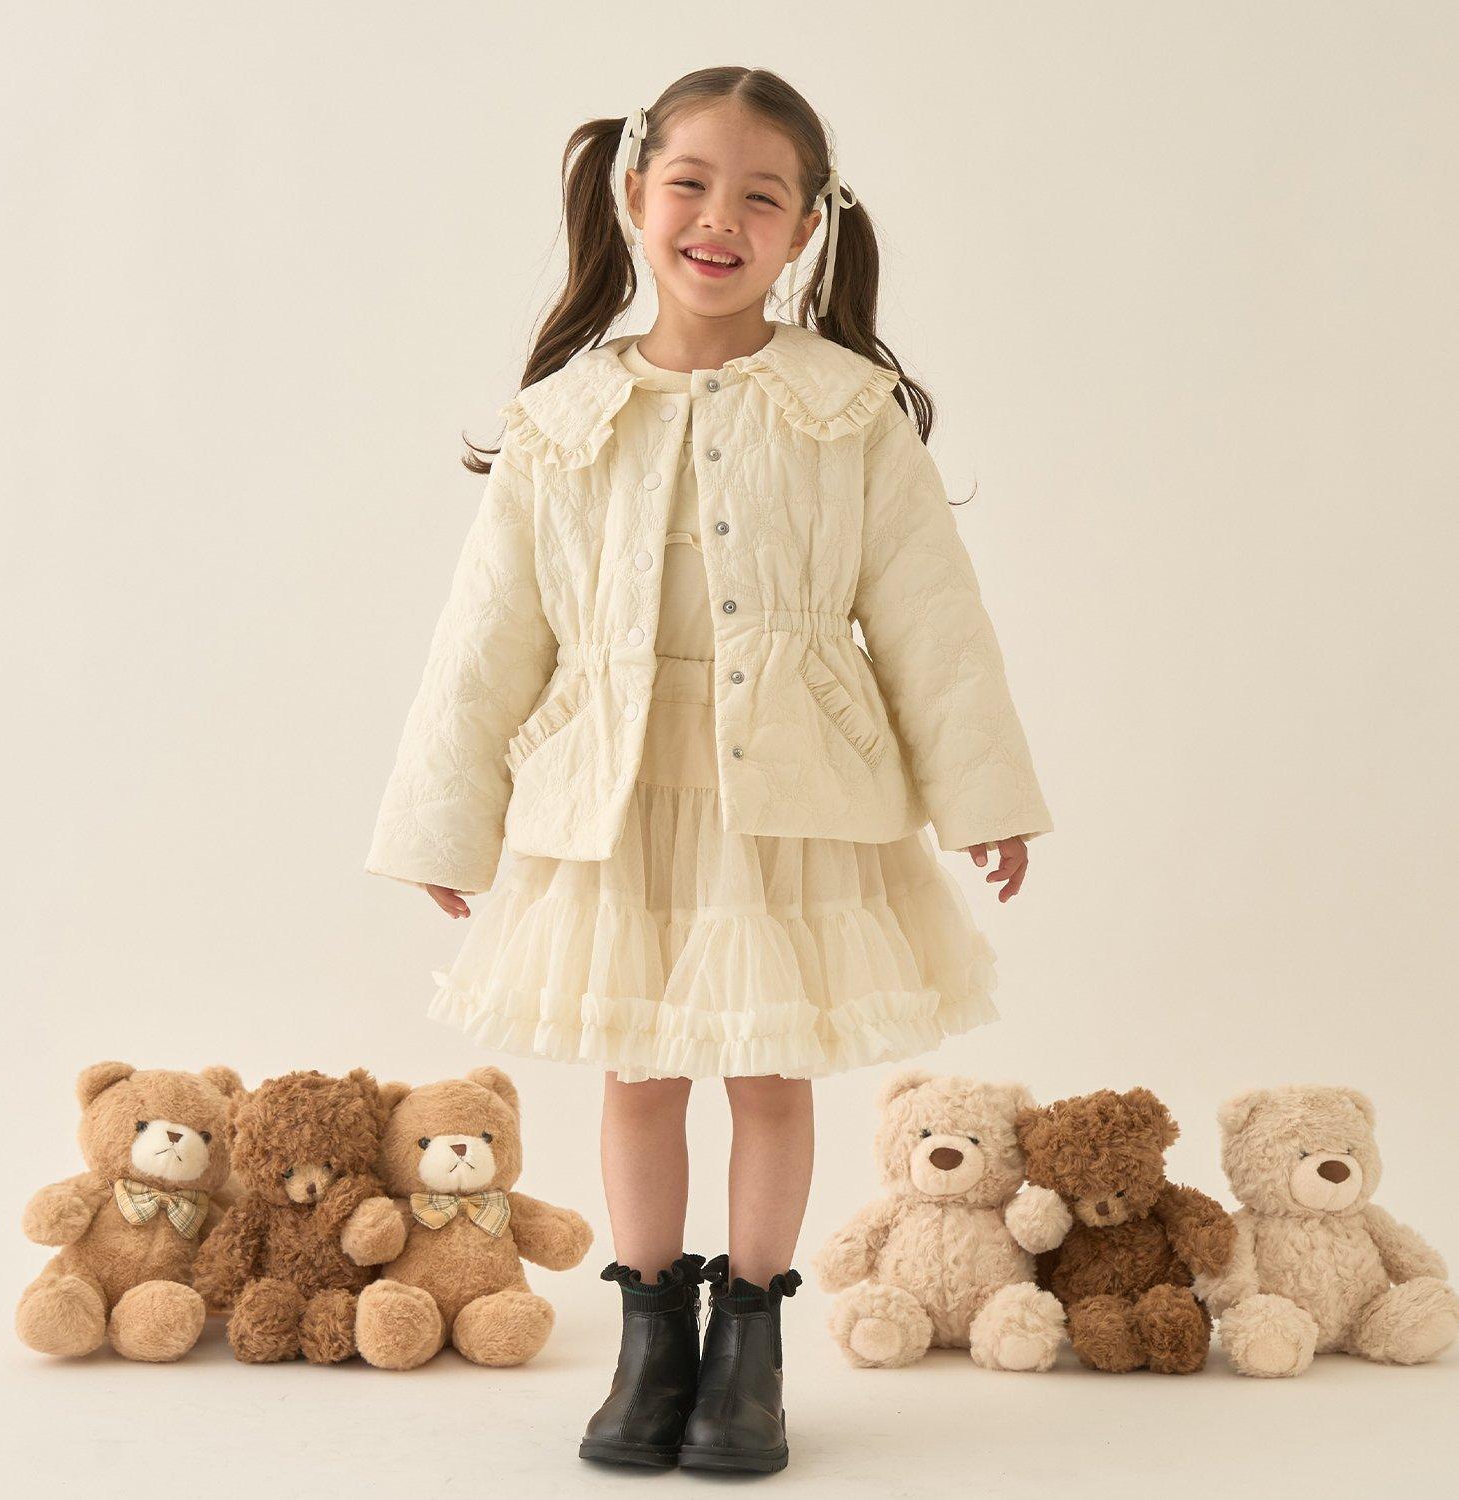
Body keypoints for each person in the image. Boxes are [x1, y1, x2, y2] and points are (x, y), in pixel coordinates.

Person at [364, 65, 1052, 1474]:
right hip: (614, 794)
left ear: (807, 226)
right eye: (690, 183)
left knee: (768, 1071)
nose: (719, 217)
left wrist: (984, 798)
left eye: (761, 195)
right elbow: (488, 636)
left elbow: (932, 617)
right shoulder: (564, 416)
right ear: (635, 195)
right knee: (637, 1070)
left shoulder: (846, 410)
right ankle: (650, 1349)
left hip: (791, 795)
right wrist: (447, 820)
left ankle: (749, 1352)